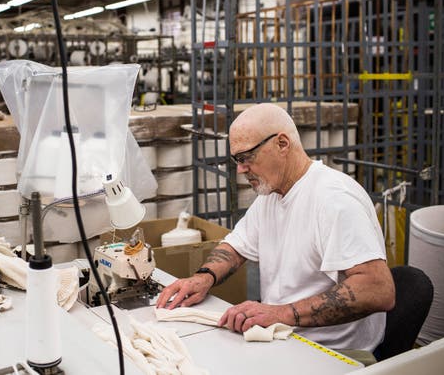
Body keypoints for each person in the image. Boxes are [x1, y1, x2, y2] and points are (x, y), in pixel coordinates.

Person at [156, 103, 395, 351]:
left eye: (246, 157)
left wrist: (281, 313)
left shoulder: (333, 199)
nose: (240, 169)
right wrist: (203, 277)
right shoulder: (271, 194)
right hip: (284, 338)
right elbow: (236, 246)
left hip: (333, 354)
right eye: (236, 160)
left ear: (282, 144)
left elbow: (378, 289)